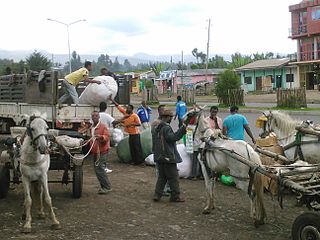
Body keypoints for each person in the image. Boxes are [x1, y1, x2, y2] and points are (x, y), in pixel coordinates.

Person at [152, 109, 192, 203]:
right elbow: (173, 138)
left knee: (162, 177)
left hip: (159, 156)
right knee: (173, 177)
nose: (171, 119)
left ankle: (157, 194)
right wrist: (183, 129)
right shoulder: (166, 128)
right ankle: (175, 196)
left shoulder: (156, 127)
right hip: (168, 156)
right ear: (166, 117)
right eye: (170, 117)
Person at [110, 98, 144, 165]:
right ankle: (134, 161)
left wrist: (131, 124)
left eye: (128, 108)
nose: (127, 109)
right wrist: (112, 100)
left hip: (135, 134)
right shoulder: (125, 113)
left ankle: (140, 161)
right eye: (127, 108)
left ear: (131, 109)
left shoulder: (135, 116)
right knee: (132, 148)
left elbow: (139, 124)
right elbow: (118, 107)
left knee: (137, 148)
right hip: (130, 134)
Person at [89, 111, 112, 194]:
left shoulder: (103, 126)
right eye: (93, 116)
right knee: (97, 169)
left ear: (99, 117)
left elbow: (107, 137)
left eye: (96, 116)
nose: (94, 117)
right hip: (95, 152)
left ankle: (107, 187)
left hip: (102, 151)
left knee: (99, 169)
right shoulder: (92, 127)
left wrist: (101, 137)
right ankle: (104, 186)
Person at [151, 105, 170, 196]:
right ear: (159, 112)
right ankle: (162, 189)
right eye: (163, 110)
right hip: (158, 149)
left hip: (165, 150)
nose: (164, 112)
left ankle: (167, 188)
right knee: (160, 171)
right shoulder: (156, 123)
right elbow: (155, 136)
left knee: (166, 170)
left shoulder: (166, 122)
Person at [98, 101, 115, 173]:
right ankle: (103, 167)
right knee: (105, 151)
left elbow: (90, 123)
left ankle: (98, 165)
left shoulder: (96, 115)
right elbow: (114, 122)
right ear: (106, 108)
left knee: (97, 151)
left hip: (97, 135)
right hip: (104, 135)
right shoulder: (106, 115)